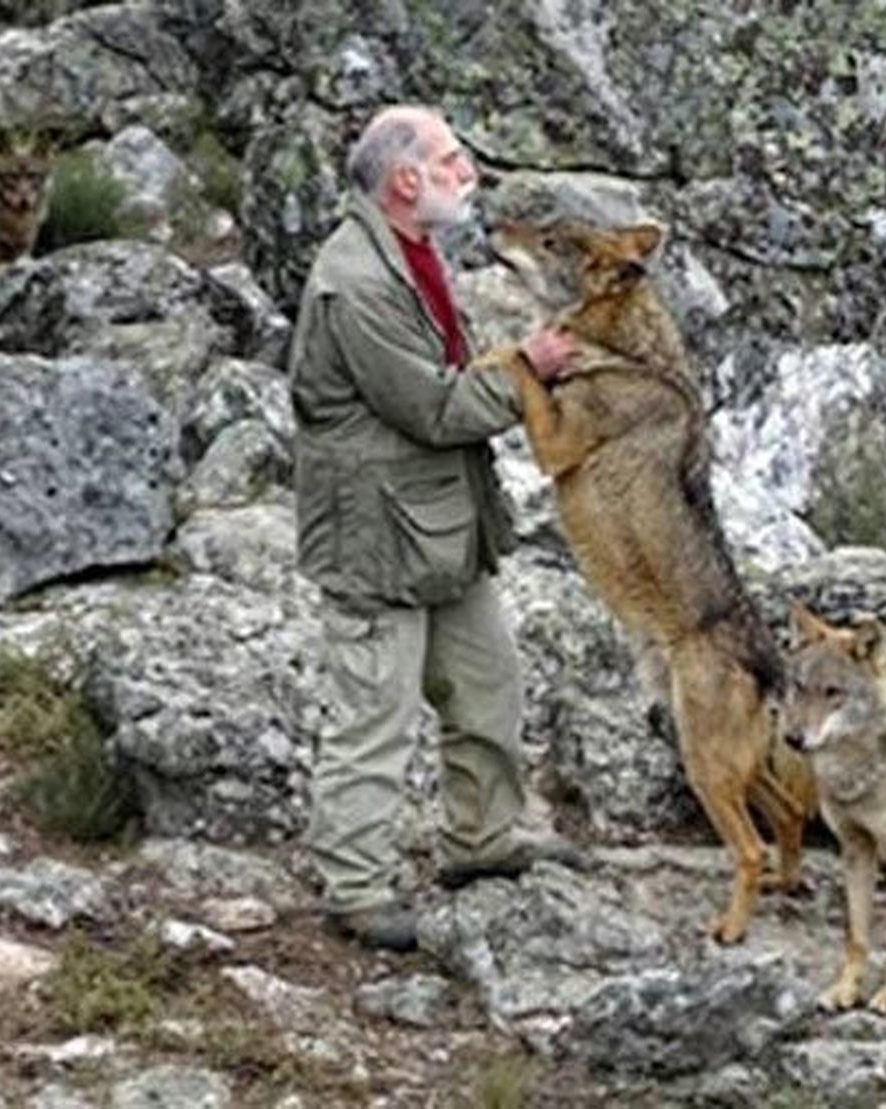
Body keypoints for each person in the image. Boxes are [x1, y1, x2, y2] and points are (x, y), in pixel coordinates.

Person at [290, 105, 584, 952]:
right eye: (453, 160)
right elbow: (431, 407)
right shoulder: (356, 281)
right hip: (377, 532)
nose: (469, 174)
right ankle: (356, 887)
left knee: (488, 682)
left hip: (439, 522)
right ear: (405, 179)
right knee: (373, 714)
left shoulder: (408, 250)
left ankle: (480, 836)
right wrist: (527, 369)